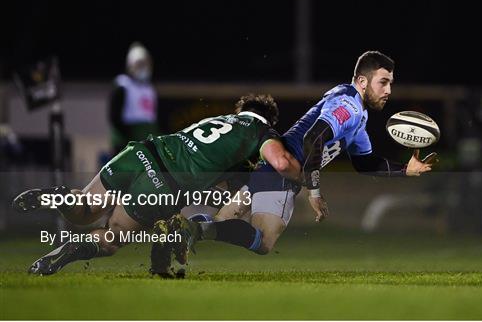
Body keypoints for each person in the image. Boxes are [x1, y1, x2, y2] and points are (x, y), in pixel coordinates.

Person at [165, 51, 437, 264]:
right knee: (263, 242)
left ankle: (184, 229)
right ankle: (192, 229)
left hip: (268, 167)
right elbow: (313, 139)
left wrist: (405, 170)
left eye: (391, 83)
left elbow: (365, 163)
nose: (388, 90)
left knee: (222, 222)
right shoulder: (349, 106)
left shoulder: (357, 115)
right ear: (362, 81)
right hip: (283, 172)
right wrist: (314, 190)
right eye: (383, 82)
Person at [12, 94, 301, 276]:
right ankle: (68, 252)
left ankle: (61, 198)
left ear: (241, 110)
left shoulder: (217, 121)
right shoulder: (260, 132)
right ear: (268, 119)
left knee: (85, 207)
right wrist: (301, 176)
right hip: (166, 182)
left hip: (141, 153)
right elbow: (280, 163)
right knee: (114, 236)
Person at [109, 42, 159, 154]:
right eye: (140, 64)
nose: (143, 68)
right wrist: (126, 136)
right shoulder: (123, 85)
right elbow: (114, 116)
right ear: (131, 65)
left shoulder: (149, 88)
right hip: (127, 140)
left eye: (146, 64)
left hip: (145, 138)